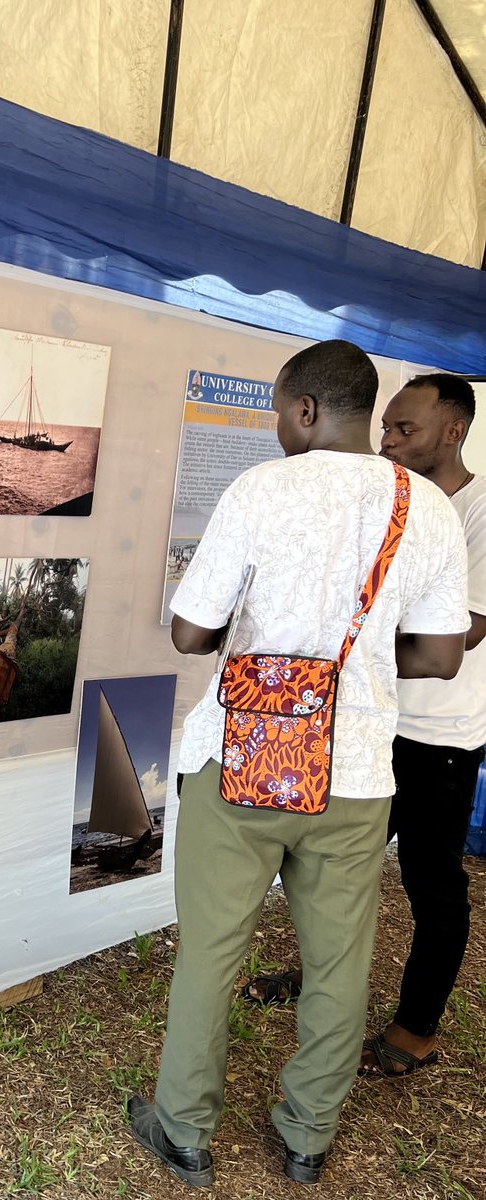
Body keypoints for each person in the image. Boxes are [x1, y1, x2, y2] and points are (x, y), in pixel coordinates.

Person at [128, 340, 469, 1189]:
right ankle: (308, 1136)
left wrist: (278, 644)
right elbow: (440, 655)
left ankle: (183, 1129)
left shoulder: (262, 489)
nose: (279, 425)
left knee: (211, 949)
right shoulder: (426, 508)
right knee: (340, 960)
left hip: (242, 757)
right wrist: (350, 666)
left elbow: (191, 635)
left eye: (281, 410)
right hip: (356, 773)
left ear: (308, 410)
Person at [242, 373, 486, 1078]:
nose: (388, 443)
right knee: (329, 872)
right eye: (384, 429)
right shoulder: (393, 501)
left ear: (454, 429)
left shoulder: (473, 511)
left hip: (440, 739)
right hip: (372, 723)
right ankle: (317, 978)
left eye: (404, 430)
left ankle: (416, 1028)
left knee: (432, 883)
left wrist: (345, 648)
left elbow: (457, 640)